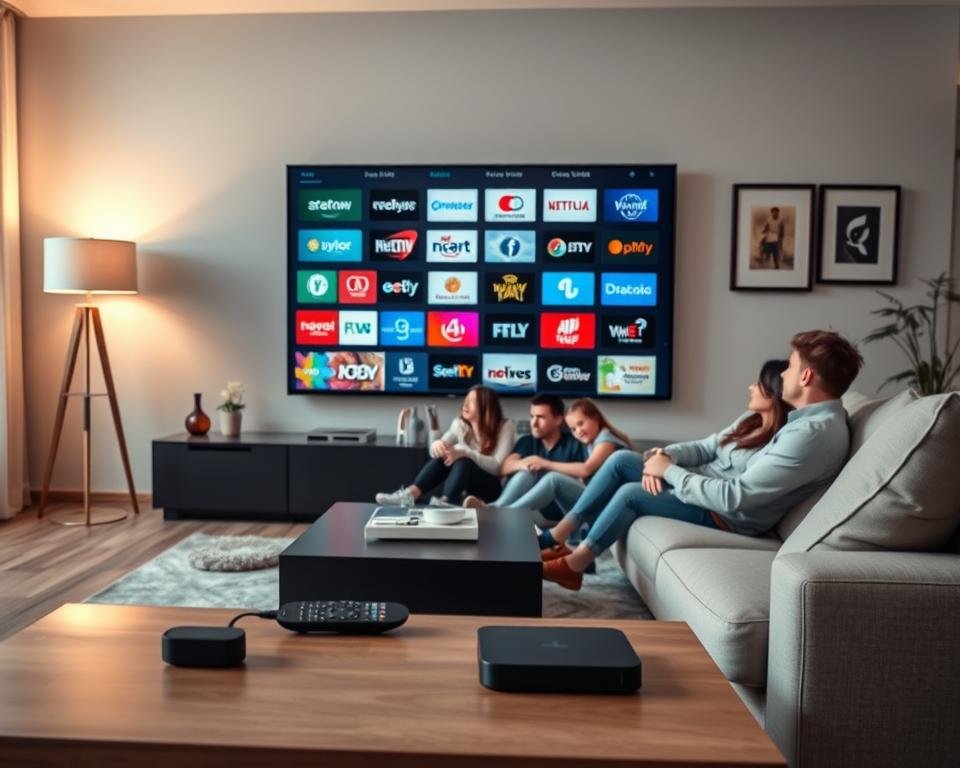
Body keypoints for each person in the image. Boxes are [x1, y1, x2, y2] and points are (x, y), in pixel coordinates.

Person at [542, 331, 862, 591]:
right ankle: (560, 536)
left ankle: (575, 564)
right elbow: (708, 446)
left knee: (630, 494)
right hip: (704, 485)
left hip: (727, 514)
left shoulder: (811, 434)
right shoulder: (801, 421)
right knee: (623, 460)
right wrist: (666, 456)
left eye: (789, 367)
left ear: (806, 376)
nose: (782, 374)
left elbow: (738, 497)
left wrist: (668, 472)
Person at [375, 385, 515, 507]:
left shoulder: (505, 427)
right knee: (448, 454)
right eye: (465, 400)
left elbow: (497, 466)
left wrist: (465, 452)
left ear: (486, 407)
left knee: (463, 459)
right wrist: (437, 445)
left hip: (492, 488)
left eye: (471, 402)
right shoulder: (459, 424)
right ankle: (410, 494)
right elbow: (437, 449)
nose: (465, 405)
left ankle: (447, 502)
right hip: (468, 485)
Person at [500, 398, 632, 522]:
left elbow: (585, 469)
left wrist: (546, 463)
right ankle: (504, 510)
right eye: (573, 429)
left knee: (554, 479)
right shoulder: (592, 443)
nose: (578, 431)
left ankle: (507, 513)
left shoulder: (606, 440)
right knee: (539, 477)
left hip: (610, 502)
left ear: (596, 418)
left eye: (581, 424)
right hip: (597, 499)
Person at [462, 393, 585, 516]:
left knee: (545, 475)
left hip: (560, 509)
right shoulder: (527, 441)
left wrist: (544, 465)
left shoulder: (574, 443)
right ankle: (497, 508)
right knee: (526, 473)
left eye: (540, 417)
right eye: (532, 416)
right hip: (530, 510)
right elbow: (504, 467)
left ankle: (494, 510)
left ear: (558, 420)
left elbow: (584, 472)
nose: (534, 423)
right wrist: (525, 464)